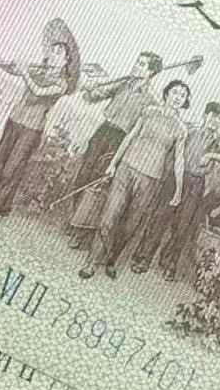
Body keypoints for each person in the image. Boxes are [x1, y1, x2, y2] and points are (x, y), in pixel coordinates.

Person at [80, 78, 191, 279]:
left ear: (185, 101)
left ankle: (111, 259)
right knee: (109, 216)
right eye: (175, 92)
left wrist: (178, 190)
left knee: (130, 224)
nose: (178, 97)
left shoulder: (181, 129)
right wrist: (113, 163)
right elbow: (130, 137)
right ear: (167, 94)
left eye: (182, 95)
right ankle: (91, 261)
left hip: (150, 179)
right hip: (126, 168)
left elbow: (179, 161)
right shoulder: (149, 111)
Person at [0, 20, 80, 221]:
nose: (53, 55)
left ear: (66, 61)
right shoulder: (39, 70)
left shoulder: (62, 84)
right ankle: (0, 201)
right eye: (52, 51)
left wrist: (24, 71)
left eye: (59, 53)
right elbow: (14, 70)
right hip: (15, 120)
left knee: (12, 168)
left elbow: (38, 91)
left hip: (32, 129)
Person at [65, 50, 163, 246]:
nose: (136, 66)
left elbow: (145, 130)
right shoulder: (123, 83)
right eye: (137, 61)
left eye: (142, 64)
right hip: (103, 131)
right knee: (84, 174)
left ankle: (83, 234)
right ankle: (74, 221)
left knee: (99, 183)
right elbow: (94, 96)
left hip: (120, 139)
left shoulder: (151, 100)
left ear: (150, 72)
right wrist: (90, 89)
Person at [144, 100, 220, 281]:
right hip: (177, 177)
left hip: (196, 184)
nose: (217, 121)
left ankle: (169, 263)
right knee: (160, 217)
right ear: (205, 115)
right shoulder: (190, 129)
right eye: (214, 116)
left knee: (183, 225)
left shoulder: (219, 141)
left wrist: (211, 155)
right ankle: (143, 258)